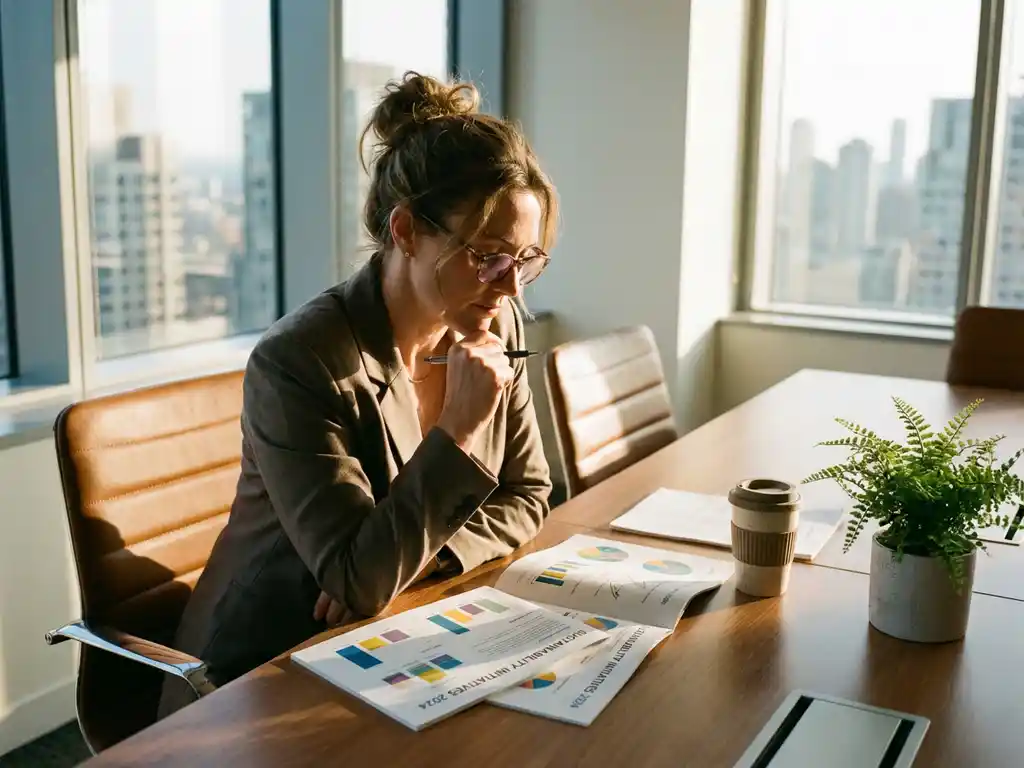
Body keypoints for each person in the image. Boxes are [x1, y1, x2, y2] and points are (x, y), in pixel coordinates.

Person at [157, 71, 558, 717]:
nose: (510, 286)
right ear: (405, 232)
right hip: (257, 671)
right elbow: (356, 579)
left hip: (391, 633)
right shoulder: (299, 361)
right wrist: (455, 429)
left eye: (526, 259)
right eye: (488, 255)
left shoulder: (494, 322)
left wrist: (418, 561)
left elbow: (530, 494)